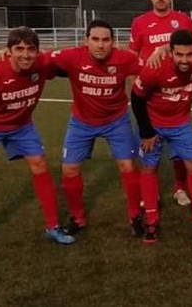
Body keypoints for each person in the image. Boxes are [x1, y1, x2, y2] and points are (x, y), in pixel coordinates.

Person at [0, 27, 74, 264]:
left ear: (37, 51)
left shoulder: (42, 63)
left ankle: (53, 227)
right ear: (9, 51)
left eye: (31, 49)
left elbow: (73, 63)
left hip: (21, 125)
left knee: (40, 164)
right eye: (19, 49)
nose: (25, 54)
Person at [50, 20, 144, 237]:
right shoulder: (72, 56)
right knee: (69, 169)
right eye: (95, 39)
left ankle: (135, 215)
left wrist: (163, 53)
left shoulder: (125, 58)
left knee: (127, 165)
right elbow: (39, 58)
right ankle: (77, 217)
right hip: (81, 121)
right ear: (86, 41)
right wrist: (7, 53)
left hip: (116, 121)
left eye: (105, 40)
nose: (100, 45)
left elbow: (151, 70)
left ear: (113, 42)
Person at [131, 29, 192, 243]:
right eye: (179, 55)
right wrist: (146, 132)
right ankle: (151, 221)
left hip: (181, 124)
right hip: (153, 124)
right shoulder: (155, 67)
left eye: (189, 54)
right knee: (149, 167)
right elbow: (136, 98)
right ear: (171, 53)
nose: (184, 60)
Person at [129, 0, 192, 207]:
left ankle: (179, 188)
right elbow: (133, 56)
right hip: (149, 95)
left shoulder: (183, 20)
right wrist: (137, 83)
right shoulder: (139, 22)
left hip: (176, 92)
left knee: (179, 151)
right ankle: (152, 192)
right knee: (149, 144)